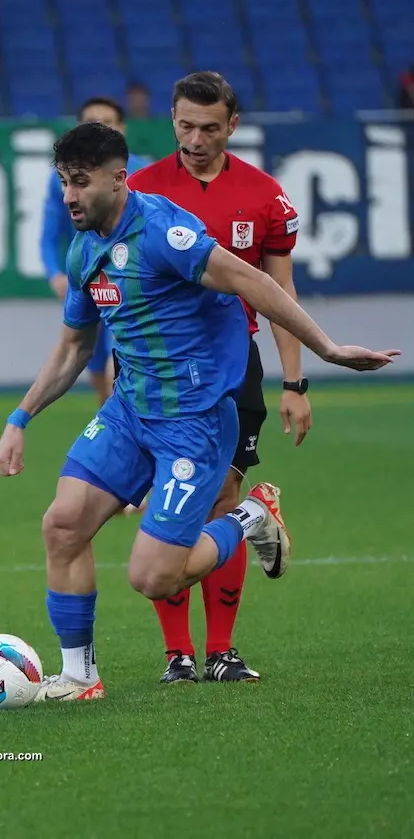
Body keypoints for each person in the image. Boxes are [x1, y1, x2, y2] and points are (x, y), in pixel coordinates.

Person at [0, 121, 397, 702]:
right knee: (62, 525)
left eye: (80, 183)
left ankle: (252, 516)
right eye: (63, 183)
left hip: (195, 423)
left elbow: (253, 280)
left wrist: (325, 349)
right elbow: (75, 348)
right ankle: (80, 677)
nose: (69, 198)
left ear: (117, 179)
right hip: (131, 414)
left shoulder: (165, 234)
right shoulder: (85, 250)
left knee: (153, 578)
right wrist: (19, 418)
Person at [126, 70, 309, 684]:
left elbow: (279, 291)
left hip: (233, 370)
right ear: (172, 121)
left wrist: (295, 381)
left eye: (209, 127)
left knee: (220, 500)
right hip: (154, 373)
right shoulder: (141, 192)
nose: (196, 138)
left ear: (232, 125)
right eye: (185, 126)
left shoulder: (263, 197)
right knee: (165, 505)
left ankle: (221, 651)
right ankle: (178, 655)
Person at [40, 97, 149, 403]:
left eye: (108, 123)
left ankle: (124, 416)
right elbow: (49, 234)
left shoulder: (145, 173)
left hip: (133, 279)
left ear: (122, 129)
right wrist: (54, 274)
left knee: (125, 349)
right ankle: (111, 416)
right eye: (91, 123)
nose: (99, 130)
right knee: (89, 353)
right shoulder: (61, 180)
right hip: (91, 278)